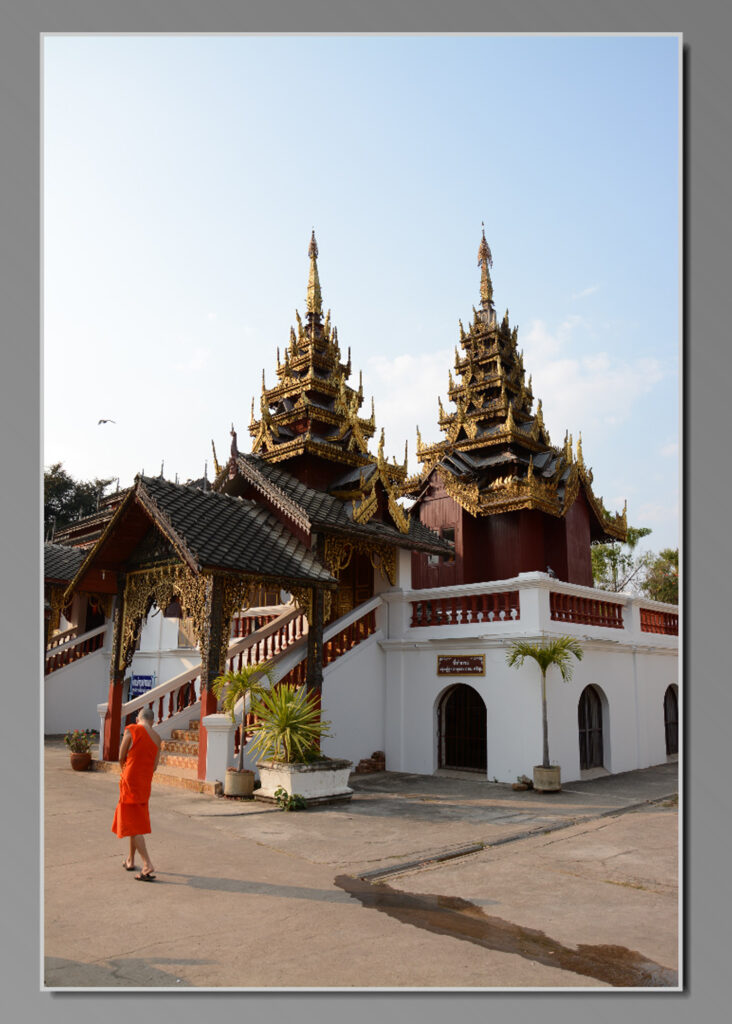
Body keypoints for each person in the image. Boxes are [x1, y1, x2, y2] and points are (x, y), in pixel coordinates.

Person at [112, 706, 161, 881]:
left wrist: (125, 771)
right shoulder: (157, 738)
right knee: (135, 823)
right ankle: (130, 860)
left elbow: (120, 756)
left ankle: (147, 865)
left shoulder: (132, 730)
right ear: (152, 721)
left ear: (138, 719)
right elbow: (154, 766)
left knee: (133, 825)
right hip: (144, 784)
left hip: (130, 782)